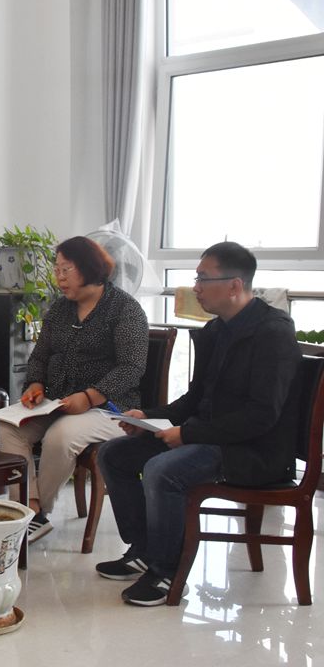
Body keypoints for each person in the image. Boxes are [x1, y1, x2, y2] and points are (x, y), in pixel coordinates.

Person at [96, 242, 300, 606]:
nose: (196, 288)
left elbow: (262, 415)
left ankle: (167, 571)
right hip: (211, 436)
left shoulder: (273, 333)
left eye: (203, 279)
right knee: (114, 454)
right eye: (196, 278)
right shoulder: (216, 330)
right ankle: (143, 549)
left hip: (254, 451)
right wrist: (149, 416)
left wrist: (188, 433)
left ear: (235, 285)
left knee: (163, 470)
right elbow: (195, 398)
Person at [0, 236, 148, 544]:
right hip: (58, 402)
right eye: (57, 270)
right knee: (8, 428)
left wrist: (90, 396)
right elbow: (39, 356)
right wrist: (35, 384)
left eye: (66, 269)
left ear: (90, 268)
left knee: (61, 436)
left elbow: (132, 368)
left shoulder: (125, 310)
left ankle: (35, 514)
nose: (59, 278)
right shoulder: (60, 309)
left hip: (110, 409)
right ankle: (31, 510)